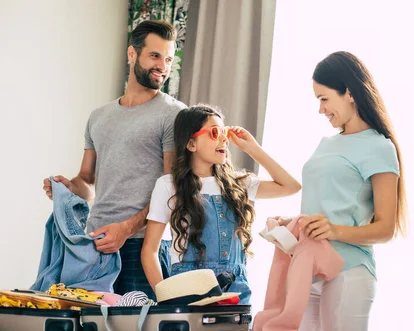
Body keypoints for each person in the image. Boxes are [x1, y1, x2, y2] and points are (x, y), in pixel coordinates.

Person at [41, 20, 186, 299]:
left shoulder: (174, 114)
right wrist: (68, 188)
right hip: (93, 246)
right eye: (155, 56)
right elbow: (87, 181)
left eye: (168, 59)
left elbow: (174, 187)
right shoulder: (99, 116)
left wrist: (127, 228)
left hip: (142, 247)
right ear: (132, 54)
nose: (163, 66)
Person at [141, 104, 301, 304]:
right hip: (188, 287)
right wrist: (166, 297)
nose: (224, 139)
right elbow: (150, 251)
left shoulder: (239, 184)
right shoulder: (169, 185)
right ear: (191, 144)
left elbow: (291, 186)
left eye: (224, 132)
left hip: (236, 289)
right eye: (215, 132)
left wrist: (251, 147)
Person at [294, 51, 408, 330]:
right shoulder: (325, 144)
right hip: (308, 271)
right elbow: (321, 206)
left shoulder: (379, 147)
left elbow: (385, 228)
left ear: (350, 93)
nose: (321, 109)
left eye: (324, 99)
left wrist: (333, 230)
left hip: (348, 272)